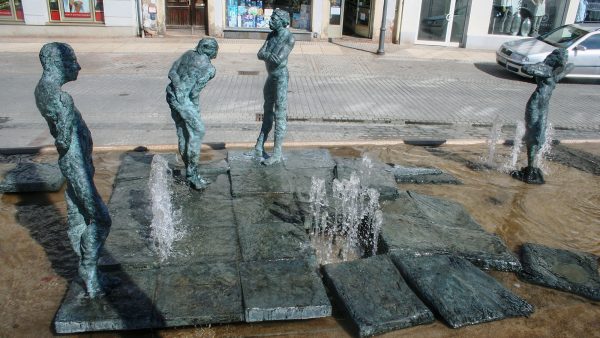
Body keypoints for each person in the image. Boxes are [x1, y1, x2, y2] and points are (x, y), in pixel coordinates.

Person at [34, 42, 112, 298]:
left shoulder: (43, 90)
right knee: (101, 219)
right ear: (58, 64)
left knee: (78, 216)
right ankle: (89, 271)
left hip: (74, 163)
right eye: (73, 61)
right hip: (76, 165)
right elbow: (64, 140)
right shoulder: (60, 98)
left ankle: (90, 270)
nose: (78, 66)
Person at [512, 48, 573, 184]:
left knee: (541, 134)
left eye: (566, 58)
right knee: (534, 133)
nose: (565, 61)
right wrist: (543, 68)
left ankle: (532, 166)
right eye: (564, 58)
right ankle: (530, 167)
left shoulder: (555, 73)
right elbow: (527, 68)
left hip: (544, 106)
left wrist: (561, 64)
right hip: (535, 104)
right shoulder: (547, 71)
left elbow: (571, 67)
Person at [166, 38, 218, 189]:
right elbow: (194, 92)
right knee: (198, 132)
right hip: (183, 101)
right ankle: (192, 174)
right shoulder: (209, 69)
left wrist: (177, 87)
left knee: (183, 133)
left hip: (170, 95)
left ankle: (192, 174)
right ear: (211, 50)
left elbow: (172, 72)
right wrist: (193, 107)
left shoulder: (188, 54)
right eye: (216, 50)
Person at [254, 9, 295, 165]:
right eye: (271, 17)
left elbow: (277, 59)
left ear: (283, 22)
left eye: (274, 18)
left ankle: (277, 153)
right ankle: (259, 145)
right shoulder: (271, 35)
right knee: (267, 111)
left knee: (280, 114)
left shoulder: (289, 38)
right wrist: (267, 54)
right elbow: (260, 54)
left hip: (281, 79)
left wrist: (267, 54)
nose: (270, 20)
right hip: (271, 77)